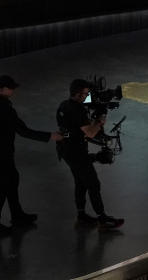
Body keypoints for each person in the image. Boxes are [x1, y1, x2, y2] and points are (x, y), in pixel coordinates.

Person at [56, 79, 124, 229]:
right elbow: (91, 133)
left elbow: (90, 104)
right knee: (93, 184)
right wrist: (101, 118)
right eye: (86, 94)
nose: (88, 96)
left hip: (66, 150)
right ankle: (102, 218)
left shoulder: (65, 105)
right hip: (76, 152)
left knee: (80, 182)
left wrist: (103, 103)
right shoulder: (78, 110)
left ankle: (81, 215)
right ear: (79, 94)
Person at [0, 75, 62, 234]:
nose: (13, 90)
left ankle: (17, 215)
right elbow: (23, 131)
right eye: (10, 87)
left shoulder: (4, 104)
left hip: (5, 153)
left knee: (12, 180)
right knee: (4, 185)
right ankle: (15, 216)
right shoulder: (4, 108)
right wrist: (50, 136)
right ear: (2, 89)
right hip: (2, 154)